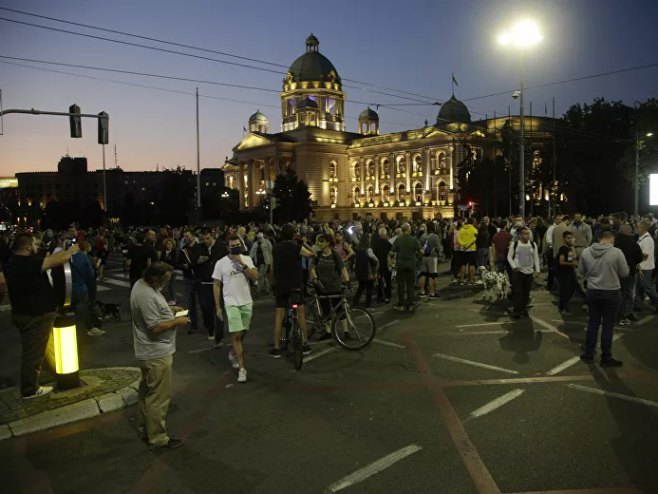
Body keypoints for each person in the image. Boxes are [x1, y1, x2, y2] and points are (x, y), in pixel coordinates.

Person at [5, 232, 79, 398]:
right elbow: (57, 261)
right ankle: (30, 389)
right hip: (34, 315)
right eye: (35, 244)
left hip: (23, 312)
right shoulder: (26, 263)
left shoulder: (14, 262)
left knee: (38, 349)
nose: (36, 247)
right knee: (33, 354)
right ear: (27, 246)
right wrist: (73, 249)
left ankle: (45, 374)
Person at [131, 262, 190, 449]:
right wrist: (176, 322)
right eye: (166, 279)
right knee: (158, 396)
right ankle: (158, 437)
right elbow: (155, 326)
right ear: (156, 278)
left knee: (147, 393)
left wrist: (170, 311)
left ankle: (145, 429)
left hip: (149, 351)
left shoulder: (142, 285)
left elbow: (155, 313)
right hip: (155, 352)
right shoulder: (146, 295)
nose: (167, 282)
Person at [579, 229, 629, 366]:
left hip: (593, 291)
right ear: (612, 238)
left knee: (593, 323)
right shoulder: (616, 252)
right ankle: (606, 357)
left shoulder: (586, 252)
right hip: (611, 291)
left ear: (599, 238)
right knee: (608, 326)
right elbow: (624, 273)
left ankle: (589, 354)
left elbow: (581, 271)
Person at [213, 235, 258, 383]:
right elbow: (217, 285)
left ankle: (233, 352)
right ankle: (242, 369)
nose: (236, 247)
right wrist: (218, 307)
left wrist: (243, 265)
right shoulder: (221, 263)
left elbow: (255, 277)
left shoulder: (247, 259)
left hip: (246, 302)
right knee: (237, 335)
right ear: (228, 247)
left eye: (238, 245)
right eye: (233, 246)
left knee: (242, 332)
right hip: (231, 302)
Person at [270, 224, 314, 358]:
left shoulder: (276, 248)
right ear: (293, 235)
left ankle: (277, 348)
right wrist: (304, 243)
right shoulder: (297, 247)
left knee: (279, 316)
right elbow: (312, 254)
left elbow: (272, 267)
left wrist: (273, 281)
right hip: (295, 285)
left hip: (281, 285)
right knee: (300, 314)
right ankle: (305, 344)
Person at [191, 228, 228, 345]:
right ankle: (210, 329)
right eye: (203, 239)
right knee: (207, 309)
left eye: (208, 238)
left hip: (219, 283)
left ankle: (219, 336)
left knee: (219, 309)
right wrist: (198, 261)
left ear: (212, 236)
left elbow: (227, 262)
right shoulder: (198, 248)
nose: (206, 241)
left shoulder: (221, 246)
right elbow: (192, 264)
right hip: (205, 283)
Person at [310, 234, 350, 340]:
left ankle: (346, 332)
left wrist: (347, 281)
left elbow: (342, 268)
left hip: (334, 287)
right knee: (326, 310)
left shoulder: (335, 255)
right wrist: (315, 278)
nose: (319, 243)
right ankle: (328, 332)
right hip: (321, 287)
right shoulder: (318, 255)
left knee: (340, 309)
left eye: (321, 241)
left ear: (328, 243)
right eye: (318, 241)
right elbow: (313, 269)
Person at [71, 240, 105, 336]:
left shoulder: (71, 257)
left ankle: (81, 329)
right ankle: (85, 330)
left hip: (72, 287)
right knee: (85, 307)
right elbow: (90, 275)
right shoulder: (85, 258)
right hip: (82, 286)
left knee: (75, 309)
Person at [506, 227, 540, 319]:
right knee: (517, 292)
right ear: (520, 235)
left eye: (528, 233)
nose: (527, 235)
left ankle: (523, 309)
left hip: (529, 272)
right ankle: (517, 311)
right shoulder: (515, 244)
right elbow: (509, 257)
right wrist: (514, 266)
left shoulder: (533, 244)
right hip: (518, 272)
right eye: (525, 233)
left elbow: (536, 258)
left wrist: (537, 270)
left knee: (526, 292)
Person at [389, 223, 422, 312]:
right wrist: (416, 258)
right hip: (411, 265)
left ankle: (401, 305)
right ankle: (410, 304)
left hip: (400, 265)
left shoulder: (398, 240)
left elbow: (391, 253)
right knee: (410, 285)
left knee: (401, 285)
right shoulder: (414, 239)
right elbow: (421, 251)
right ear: (408, 229)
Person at [614, 224, 643, 325]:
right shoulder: (632, 243)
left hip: (615, 272)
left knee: (618, 293)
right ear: (629, 231)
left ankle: (617, 313)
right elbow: (639, 258)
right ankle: (627, 313)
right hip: (629, 271)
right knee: (629, 293)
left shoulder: (614, 241)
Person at [635, 219, 658, 312]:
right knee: (639, 287)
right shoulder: (642, 238)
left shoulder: (647, 239)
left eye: (638, 228)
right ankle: (638, 305)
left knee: (647, 287)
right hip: (641, 267)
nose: (637, 230)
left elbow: (645, 255)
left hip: (645, 267)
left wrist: (635, 254)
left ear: (643, 228)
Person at [353, 233, 379, 308]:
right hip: (368, 271)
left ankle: (355, 302)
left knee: (360, 287)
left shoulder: (358, 249)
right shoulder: (368, 249)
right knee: (369, 289)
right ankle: (368, 304)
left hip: (360, 271)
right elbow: (375, 259)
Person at [556, 231, 578, 314]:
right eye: (568, 238)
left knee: (571, 289)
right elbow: (561, 262)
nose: (570, 240)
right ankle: (562, 307)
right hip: (564, 273)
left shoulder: (569, 249)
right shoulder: (563, 249)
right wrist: (572, 263)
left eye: (571, 238)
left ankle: (564, 305)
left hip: (569, 272)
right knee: (565, 290)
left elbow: (569, 259)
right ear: (564, 239)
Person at [418, 222, 442, 297]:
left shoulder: (423, 236)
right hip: (432, 257)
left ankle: (422, 291)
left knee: (423, 274)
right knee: (432, 275)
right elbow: (438, 248)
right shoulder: (435, 236)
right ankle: (432, 292)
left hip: (424, 257)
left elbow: (420, 246)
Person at [372, 227, 392, 304]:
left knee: (379, 282)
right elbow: (392, 255)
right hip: (386, 265)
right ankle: (387, 296)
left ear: (379, 235)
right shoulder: (388, 244)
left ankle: (379, 296)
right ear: (385, 234)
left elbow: (373, 255)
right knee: (388, 281)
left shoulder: (375, 244)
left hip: (378, 266)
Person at [457, 217, 478, 285]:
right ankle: (471, 280)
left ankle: (462, 280)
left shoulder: (461, 230)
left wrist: (463, 245)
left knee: (463, 265)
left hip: (463, 250)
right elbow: (474, 239)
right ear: (473, 222)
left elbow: (458, 239)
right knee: (472, 265)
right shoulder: (474, 230)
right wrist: (467, 245)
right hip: (471, 249)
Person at [160, 238, 178, 305]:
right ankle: (173, 299)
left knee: (171, 285)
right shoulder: (163, 251)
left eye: (171, 244)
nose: (169, 245)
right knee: (166, 284)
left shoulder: (174, 251)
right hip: (165, 270)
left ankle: (173, 300)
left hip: (172, 270)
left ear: (173, 245)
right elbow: (161, 260)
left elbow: (174, 262)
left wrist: (165, 261)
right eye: (168, 244)